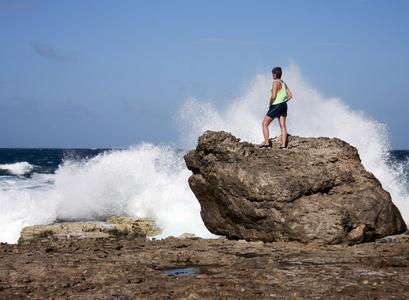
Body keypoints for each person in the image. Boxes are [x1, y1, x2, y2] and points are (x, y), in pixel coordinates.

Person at [260, 67, 293, 149]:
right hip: (284, 105)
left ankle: (267, 144)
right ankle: (283, 146)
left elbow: (273, 96)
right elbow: (290, 96)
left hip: (276, 105)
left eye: (273, 74)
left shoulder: (275, 83)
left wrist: (270, 104)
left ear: (275, 74)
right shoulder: (283, 83)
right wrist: (283, 101)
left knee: (264, 124)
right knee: (283, 126)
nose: (272, 75)